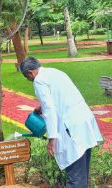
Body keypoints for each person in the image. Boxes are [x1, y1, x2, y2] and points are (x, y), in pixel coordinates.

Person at [20, 57, 103, 187]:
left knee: (75, 178)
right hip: (84, 122)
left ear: (30, 72)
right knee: (82, 175)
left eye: (27, 77)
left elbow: (50, 109)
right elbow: (62, 96)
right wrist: (40, 108)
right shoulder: (55, 72)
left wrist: (52, 139)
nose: (28, 80)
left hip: (71, 128)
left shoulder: (39, 81)